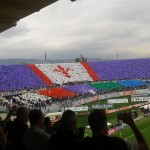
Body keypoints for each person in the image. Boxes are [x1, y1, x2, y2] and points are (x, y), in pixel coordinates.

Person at [80, 109, 149, 150]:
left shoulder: (84, 144)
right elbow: (144, 146)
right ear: (105, 125)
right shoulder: (117, 143)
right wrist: (131, 123)